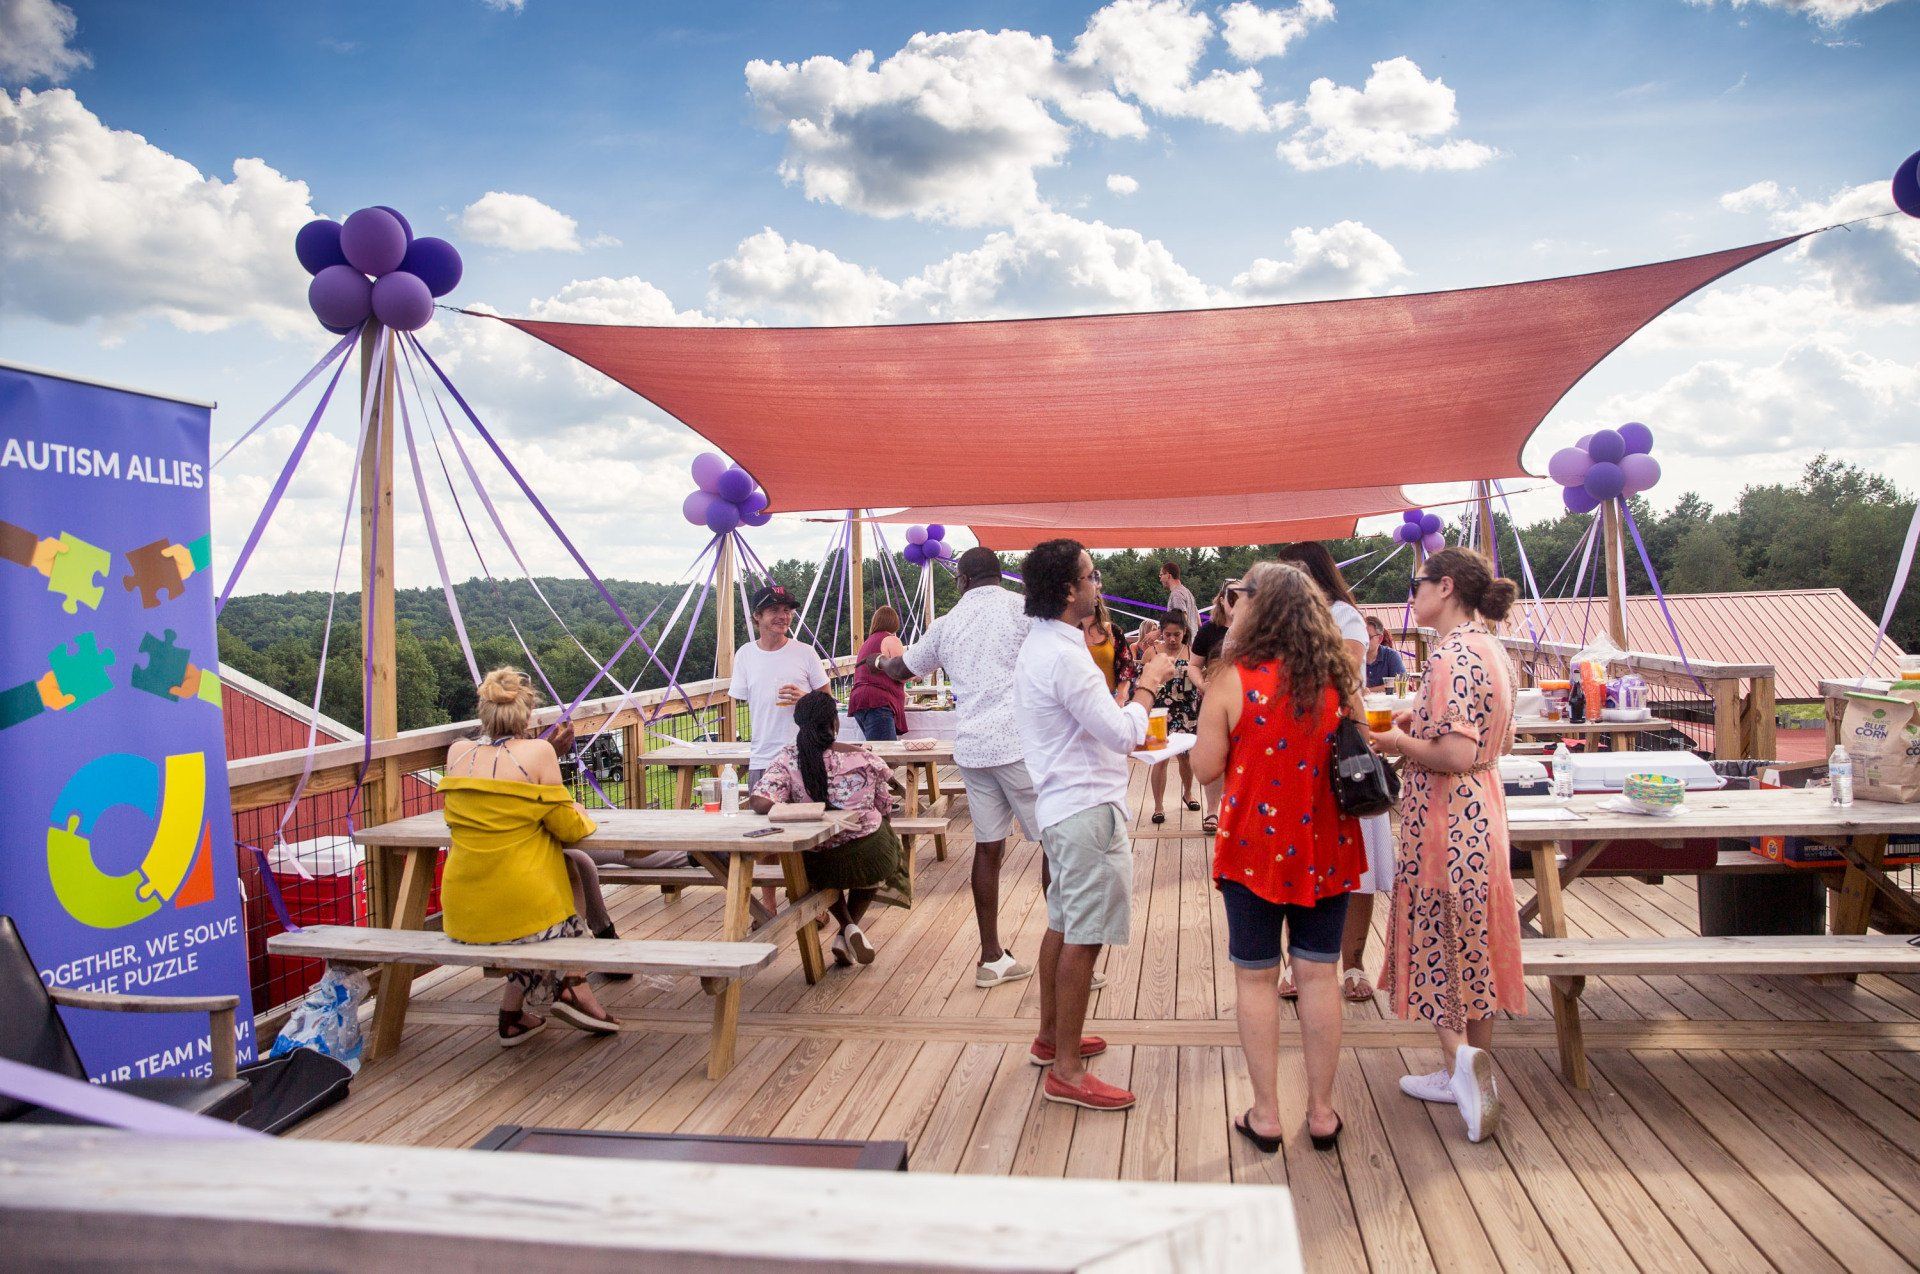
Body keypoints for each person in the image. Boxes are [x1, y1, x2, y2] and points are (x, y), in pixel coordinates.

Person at [1191, 562, 1365, 1153]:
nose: (1230, 604)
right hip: (1326, 846)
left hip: (1253, 851)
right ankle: (1321, 1112)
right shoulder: (1339, 675)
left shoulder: (1233, 679)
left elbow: (1206, 767)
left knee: (1256, 979)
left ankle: (1265, 1113)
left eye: (1236, 594)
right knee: (1320, 976)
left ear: (1257, 606)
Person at [1015, 538, 1175, 1112]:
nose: (1099, 582)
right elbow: (1121, 732)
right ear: (1068, 590)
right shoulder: (1063, 653)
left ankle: (1051, 1037)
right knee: (1084, 936)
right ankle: (1066, 1071)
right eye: (1091, 574)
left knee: (1062, 923)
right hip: (1086, 809)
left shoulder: (1045, 645)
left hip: (1062, 806)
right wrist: (1151, 682)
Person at [1371, 547, 1523, 1144]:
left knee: (1441, 941)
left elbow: (1454, 754)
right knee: (1474, 942)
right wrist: (1415, 721)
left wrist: (1393, 743)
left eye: (1419, 584)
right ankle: (1472, 1072)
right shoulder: (1490, 648)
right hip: (1482, 808)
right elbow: (1480, 739)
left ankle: (1460, 1070)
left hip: (1446, 818)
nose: (1413, 594)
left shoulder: (1450, 657)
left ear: (1447, 587)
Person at [867, 547, 1041, 988]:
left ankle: (990, 958)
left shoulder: (946, 625)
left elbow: (901, 669)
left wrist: (876, 661)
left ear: (961, 580)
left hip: (974, 750)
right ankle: (1071, 951)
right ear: (998, 575)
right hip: (1019, 744)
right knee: (1057, 845)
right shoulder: (1023, 610)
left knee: (988, 850)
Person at [441, 668, 619, 1047]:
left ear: (483, 711)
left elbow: (500, 782)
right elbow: (569, 828)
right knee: (558, 896)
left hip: (463, 915)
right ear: (528, 713)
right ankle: (574, 981)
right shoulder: (538, 752)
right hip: (521, 913)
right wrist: (577, 806)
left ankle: (512, 1014)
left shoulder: (457, 752)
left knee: (566, 873)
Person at [1276, 542, 1392, 1005]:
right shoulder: (1277, 621)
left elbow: (1341, 670)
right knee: (1297, 858)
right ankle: (1293, 962)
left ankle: (1354, 964)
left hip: (1343, 751)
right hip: (1292, 750)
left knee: (1357, 866)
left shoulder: (1343, 614)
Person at [749, 690, 908, 966]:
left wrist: (802, 809)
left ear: (800, 724)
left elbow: (760, 801)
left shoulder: (788, 759)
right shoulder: (864, 759)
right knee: (883, 842)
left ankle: (846, 926)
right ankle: (847, 931)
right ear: (835, 723)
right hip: (870, 857)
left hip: (816, 862)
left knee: (815, 863)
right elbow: (885, 808)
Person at [730, 584, 830, 790]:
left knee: (808, 820)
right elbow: (743, 700)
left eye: (787, 610)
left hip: (805, 756)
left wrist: (806, 699)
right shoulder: (745, 654)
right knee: (762, 821)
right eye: (774, 610)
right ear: (757, 615)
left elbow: (828, 704)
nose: (783, 616)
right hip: (762, 759)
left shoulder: (806, 652)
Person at [1189, 583, 1239, 836]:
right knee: (1214, 754)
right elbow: (1194, 665)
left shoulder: (1257, 630)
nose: (1235, 599)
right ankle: (1212, 810)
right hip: (1215, 699)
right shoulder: (1209, 630)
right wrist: (1201, 684)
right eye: (1230, 595)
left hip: (1247, 701)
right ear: (1220, 599)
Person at [1145, 612, 1203, 827]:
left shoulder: (1192, 653)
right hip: (1158, 711)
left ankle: (1188, 793)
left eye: (1176, 634)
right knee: (1159, 759)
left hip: (1186, 711)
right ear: (1161, 632)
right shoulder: (1152, 652)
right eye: (1168, 634)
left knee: (1186, 758)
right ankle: (1158, 806)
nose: (1171, 639)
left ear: (1184, 633)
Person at [848, 604, 908, 741]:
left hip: (859, 700)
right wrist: (917, 675)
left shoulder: (867, 642)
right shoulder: (891, 639)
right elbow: (901, 672)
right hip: (878, 702)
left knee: (876, 752)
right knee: (885, 756)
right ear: (894, 622)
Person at [1081, 596, 1136, 699]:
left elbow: (1126, 665)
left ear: (1096, 600)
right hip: (1078, 702)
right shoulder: (1070, 633)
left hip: (1109, 698)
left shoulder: (1112, 630)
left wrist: (1121, 696)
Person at [1365, 616, 1407, 688]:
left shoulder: (1391, 655)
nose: (1364, 640)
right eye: (1361, 636)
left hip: (1386, 699)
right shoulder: (1351, 656)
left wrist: (1369, 691)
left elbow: (1402, 684)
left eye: (1368, 637)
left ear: (1380, 639)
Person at [1160, 559, 1201, 634]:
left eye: (1161, 575)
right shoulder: (1188, 592)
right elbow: (1198, 623)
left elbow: (1182, 618)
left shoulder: (1176, 594)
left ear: (1168, 575)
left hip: (1182, 644)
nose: (1160, 579)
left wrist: (1159, 632)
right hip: (1191, 642)